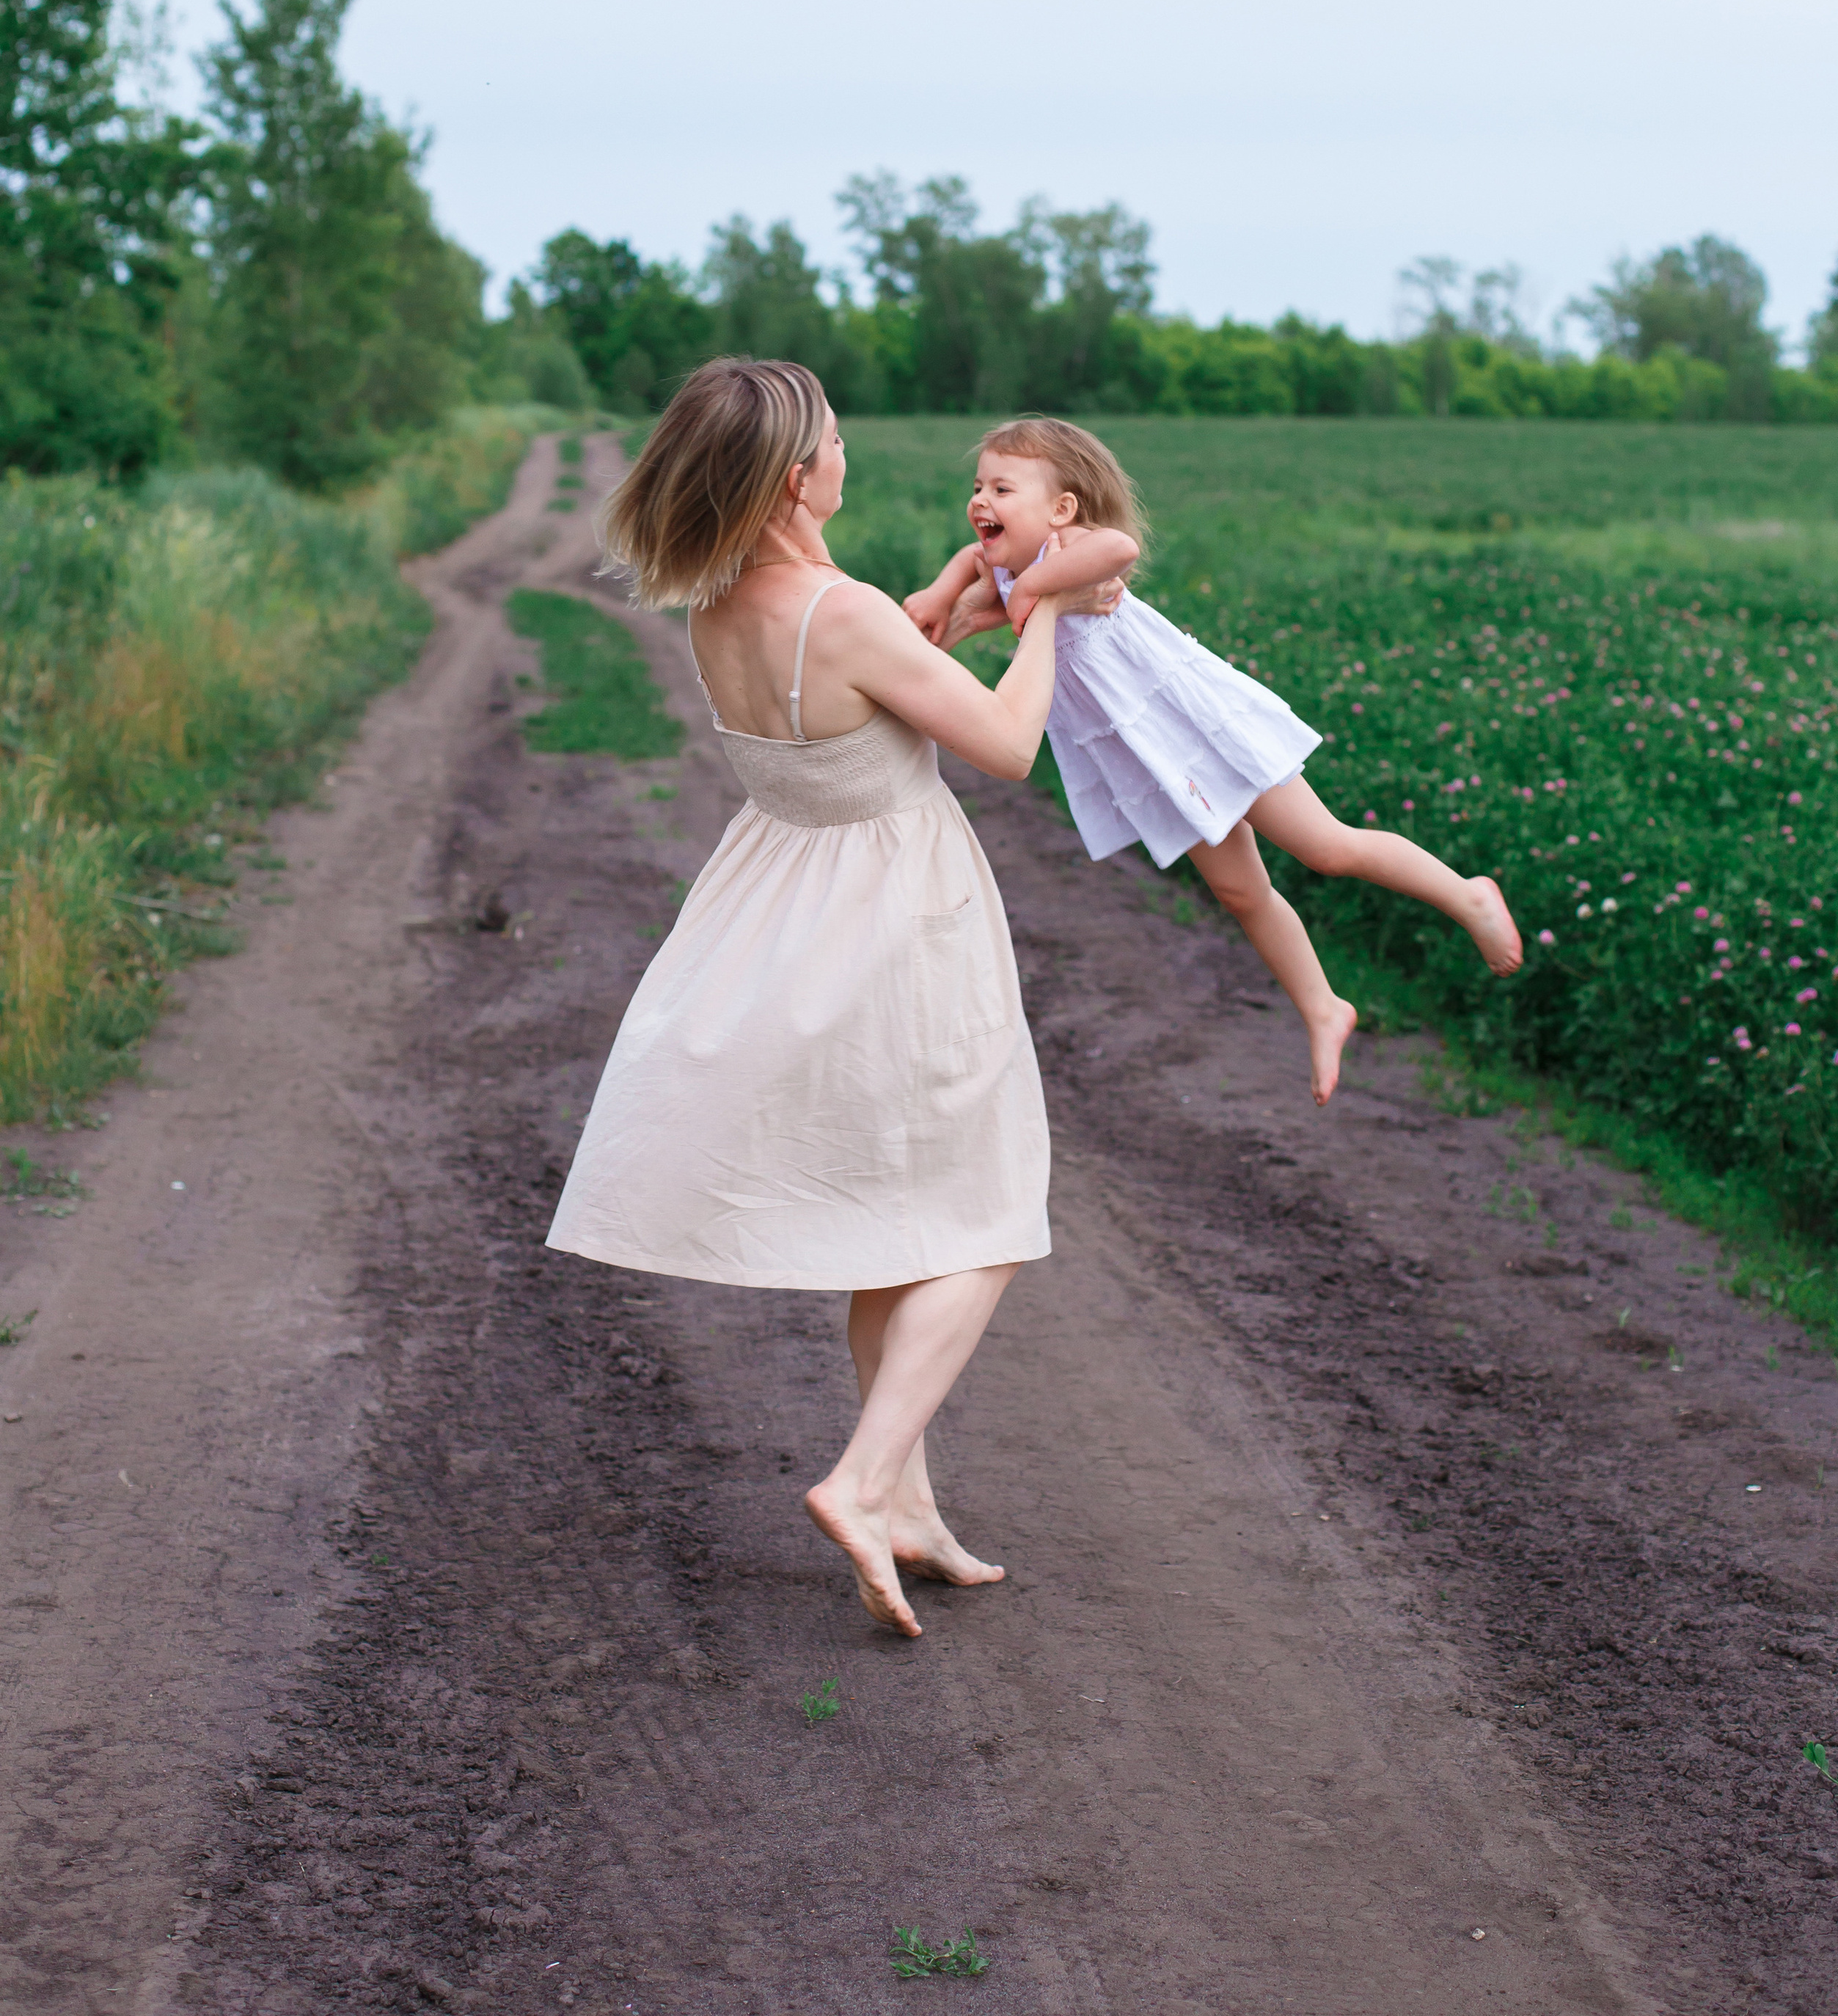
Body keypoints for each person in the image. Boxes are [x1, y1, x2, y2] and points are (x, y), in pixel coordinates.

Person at [547, 359, 1115, 1642]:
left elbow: (855, 693)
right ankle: (861, 1483)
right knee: (990, 1210)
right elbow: (1007, 748)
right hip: (900, 921)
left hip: (789, 907)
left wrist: (952, 602)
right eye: (839, 444)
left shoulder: (719, 603)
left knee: (894, 1220)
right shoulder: (840, 607)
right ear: (800, 476)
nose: (851, 460)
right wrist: (1047, 618)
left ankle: (907, 1505)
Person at [904, 416, 1522, 1106]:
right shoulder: (1003, 555)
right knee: (1240, 894)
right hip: (1152, 753)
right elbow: (969, 560)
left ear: (1061, 508)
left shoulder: (1067, 545)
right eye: (979, 486)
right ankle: (1323, 1007)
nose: (982, 500)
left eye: (1002, 488)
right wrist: (939, 593)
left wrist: (1029, 589)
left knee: (1327, 847)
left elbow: (1119, 543)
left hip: (1192, 726)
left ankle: (1467, 894)